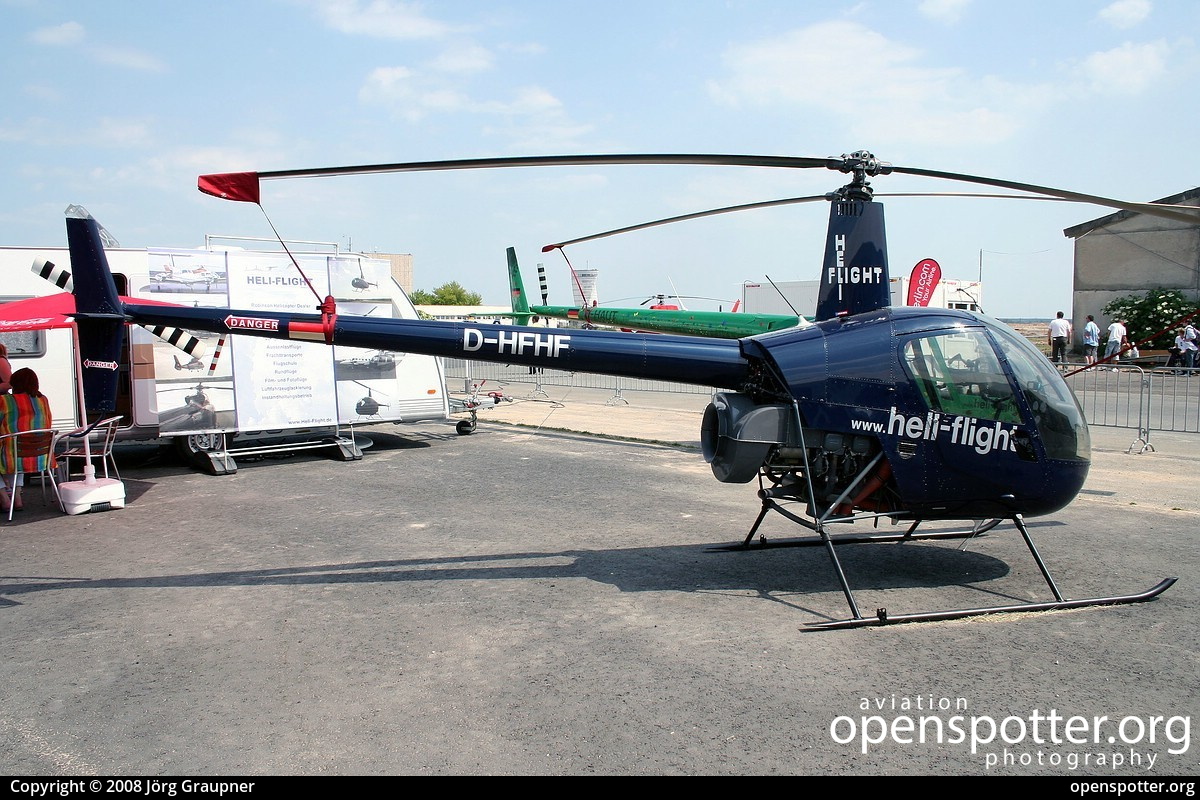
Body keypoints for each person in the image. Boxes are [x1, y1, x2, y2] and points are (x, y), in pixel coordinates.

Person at [0, 368, 54, 512]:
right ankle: (17, 497)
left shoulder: (5, 401)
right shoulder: (43, 400)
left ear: (15, 384)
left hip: (13, 456)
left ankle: (4, 499)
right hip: (41, 457)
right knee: (19, 448)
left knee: (12, 450)